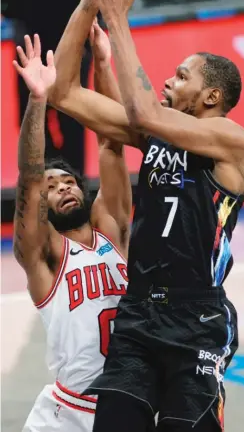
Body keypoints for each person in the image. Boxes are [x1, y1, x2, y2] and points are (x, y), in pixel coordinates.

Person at [49, 0, 244, 431]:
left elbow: (143, 111)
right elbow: (60, 91)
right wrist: (88, 6)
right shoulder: (156, 134)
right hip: (138, 313)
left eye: (181, 76)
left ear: (211, 97)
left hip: (196, 318)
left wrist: (120, 16)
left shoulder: (231, 139)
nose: (168, 79)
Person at [13, 24, 131, 432]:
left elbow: (111, 142)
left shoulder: (110, 231)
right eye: (52, 188)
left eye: (68, 182)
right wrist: (38, 100)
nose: (62, 188)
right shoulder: (46, 257)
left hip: (132, 401)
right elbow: (29, 176)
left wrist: (102, 60)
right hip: (70, 415)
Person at [14, 0, 111, 172]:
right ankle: (36, 190)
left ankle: (74, 189)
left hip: (74, 33)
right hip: (33, 30)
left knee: (71, 113)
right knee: (32, 113)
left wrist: (93, 30)